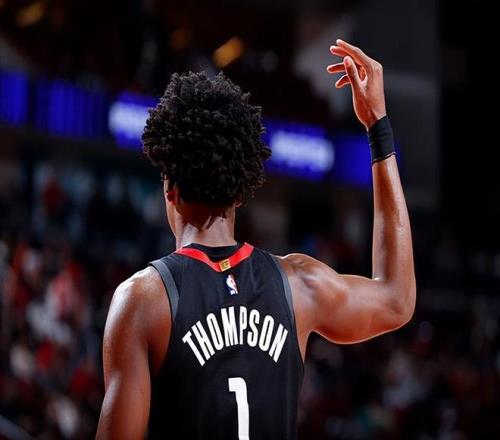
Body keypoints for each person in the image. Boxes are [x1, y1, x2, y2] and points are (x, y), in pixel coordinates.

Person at [96, 39, 416, 439]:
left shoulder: (143, 300)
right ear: (240, 193)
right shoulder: (299, 284)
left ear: (170, 189)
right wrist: (378, 129)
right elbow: (397, 299)